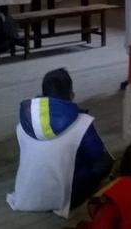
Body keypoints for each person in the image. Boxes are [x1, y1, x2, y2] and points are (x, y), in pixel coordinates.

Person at [7, 68, 113, 217]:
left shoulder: (24, 124)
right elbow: (99, 158)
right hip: (62, 199)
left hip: (26, 195)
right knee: (104, 162)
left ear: (43, 95)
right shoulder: (82, 123)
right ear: (72, 95)